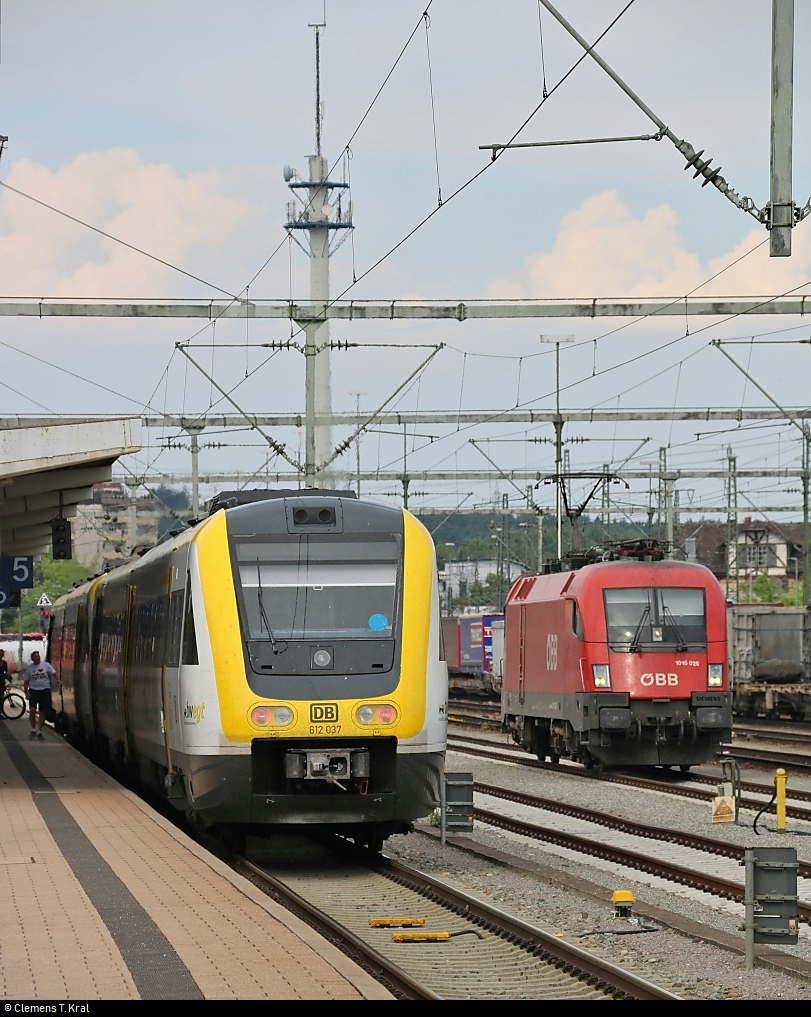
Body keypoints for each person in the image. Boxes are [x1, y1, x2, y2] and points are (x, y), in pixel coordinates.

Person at [23, 650, 60, 740]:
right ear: (32, 659)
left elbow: (54, 673)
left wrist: (58, 680)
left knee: (42, 711)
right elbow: (26, 682)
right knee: (32, 710)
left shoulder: (46, 665)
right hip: (34, 691)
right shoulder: (30, 669)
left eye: (38, 656)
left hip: (44, 690)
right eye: (35, 657)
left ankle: (39, 731)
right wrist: (26, 692)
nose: (37, 658)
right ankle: (33, 729)